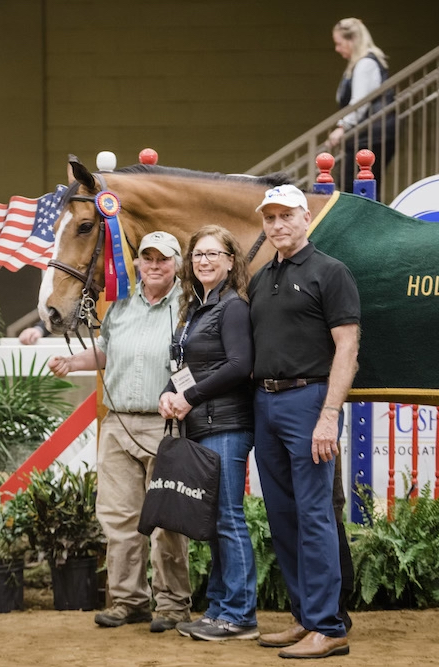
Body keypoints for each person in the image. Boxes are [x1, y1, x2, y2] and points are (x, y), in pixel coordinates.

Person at [47, 231, 193, 633]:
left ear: (177, 264)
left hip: (166, 425)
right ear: (138, 264)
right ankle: (129, 600)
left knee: (167, 521)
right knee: (119, 518)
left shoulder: (188, 307)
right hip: (117, 423)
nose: (154, 265)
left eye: (163, 259)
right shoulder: (122, 305)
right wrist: (72, 362)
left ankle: (173, 604)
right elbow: (107, 353)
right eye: (147, 258)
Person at [249, 185, 360, 659]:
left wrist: (329, 415)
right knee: (283, 517)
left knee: (315, 517)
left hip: (310, 400)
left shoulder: (331, 272)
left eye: (286, 216)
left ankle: (329, 625)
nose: (277, 225)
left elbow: (348, 348)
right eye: (270, 217)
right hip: (265, 403)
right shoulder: (259, 279)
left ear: (306, 217)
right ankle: (304, 618)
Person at [156, 225, 258, 642]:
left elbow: (239, 365)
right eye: (198, 254)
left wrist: (190, 397)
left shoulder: (232, 307)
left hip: (227, 426)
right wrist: (169, 392)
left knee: (229, 519)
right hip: (202, 425)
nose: (204, 261)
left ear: (231, 261)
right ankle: (218, 608)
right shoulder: (194, 309)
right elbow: (186, 366)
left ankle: (240, 616)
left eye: (214, 254)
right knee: (215, 520)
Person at [326, 18, 396, 193]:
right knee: (360, 186)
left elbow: (359, 102)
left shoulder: (366, 64)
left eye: (339, 43)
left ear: (353, 40)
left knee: (355, 187)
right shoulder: (364, 63)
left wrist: (342, 127)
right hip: (369, 136)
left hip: (371, 136)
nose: (337, 49)